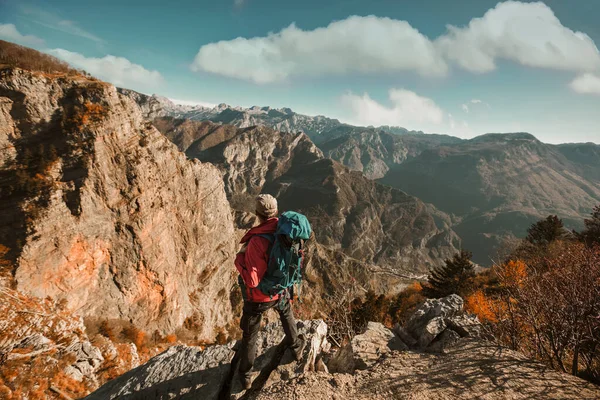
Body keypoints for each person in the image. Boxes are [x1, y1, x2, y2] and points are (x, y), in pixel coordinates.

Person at [234, 194, 304, 389]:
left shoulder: (257, 241)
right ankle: (297, 348)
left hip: (259, 298)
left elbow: (252, 280)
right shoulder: (286, 231)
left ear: (257, 214)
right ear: (276, 211)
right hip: (281, 290)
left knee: (251, 333)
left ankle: (246, 375)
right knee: (286, 312)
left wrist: (238, 261)